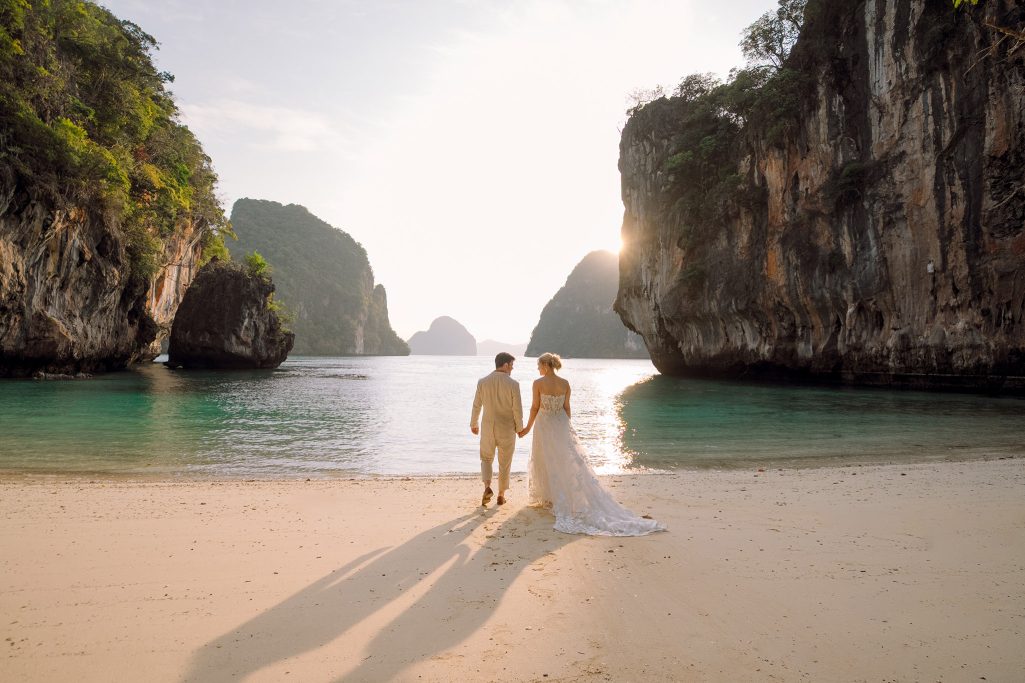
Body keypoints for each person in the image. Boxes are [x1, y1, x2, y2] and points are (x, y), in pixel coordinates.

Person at [518, 353, 665, 536]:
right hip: (561, 423)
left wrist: (527, 428)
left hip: (544, 425)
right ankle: (555, 496)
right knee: (564, 459)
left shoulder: (538, 383)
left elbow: (534, 407)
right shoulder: (565, 383)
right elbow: (567, 408)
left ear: (546, 366)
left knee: (545, 458)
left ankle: (549, 497)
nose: (538, 369)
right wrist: (566, 427)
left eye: (539, 365)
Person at [470, 352, 524, 507]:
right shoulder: (513, 384)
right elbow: (517, 410)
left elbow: (476, 405)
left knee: (486, 458)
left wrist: (474, 424)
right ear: (505, 365)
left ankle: (487, 487)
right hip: (507, 428)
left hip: (488, 427)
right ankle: (501, 494)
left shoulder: (483, 382)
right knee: (505, 462)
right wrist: (520, 428)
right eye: (511, 365)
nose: (512, 368)